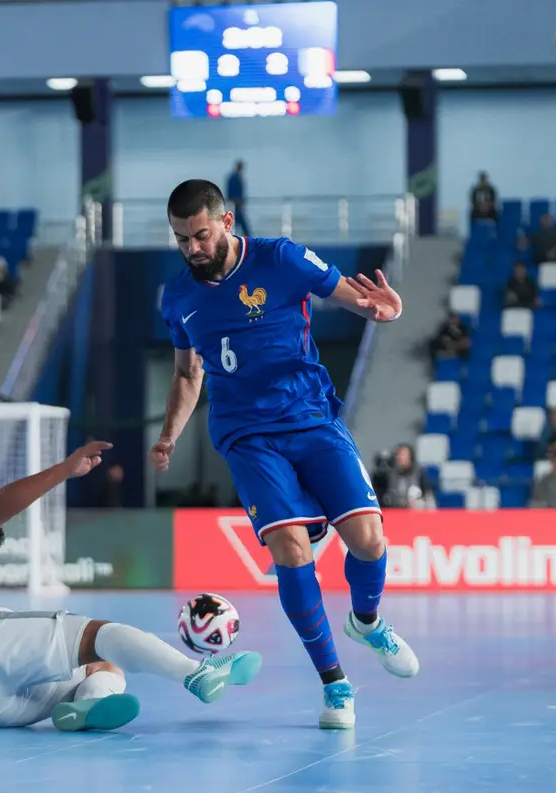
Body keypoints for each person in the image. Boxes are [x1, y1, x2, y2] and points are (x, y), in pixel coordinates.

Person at [151, 179, 419, 731]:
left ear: (227, 222)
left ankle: (367, 622)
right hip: (246, 435)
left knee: (370, 540)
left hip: (311, 417)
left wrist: (381, 311)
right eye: (181, 240)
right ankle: (335, 684)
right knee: (292, 553)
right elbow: (186, 373)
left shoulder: (282, 259)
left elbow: (352, 295)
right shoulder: (178, 296)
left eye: (200, 235)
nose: (192, 249)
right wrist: (170, 434)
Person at [0, 441, 262, 731]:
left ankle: (89, 705)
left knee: (102, 666)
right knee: (102, 635)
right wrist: (65, 470)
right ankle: (197, 672)